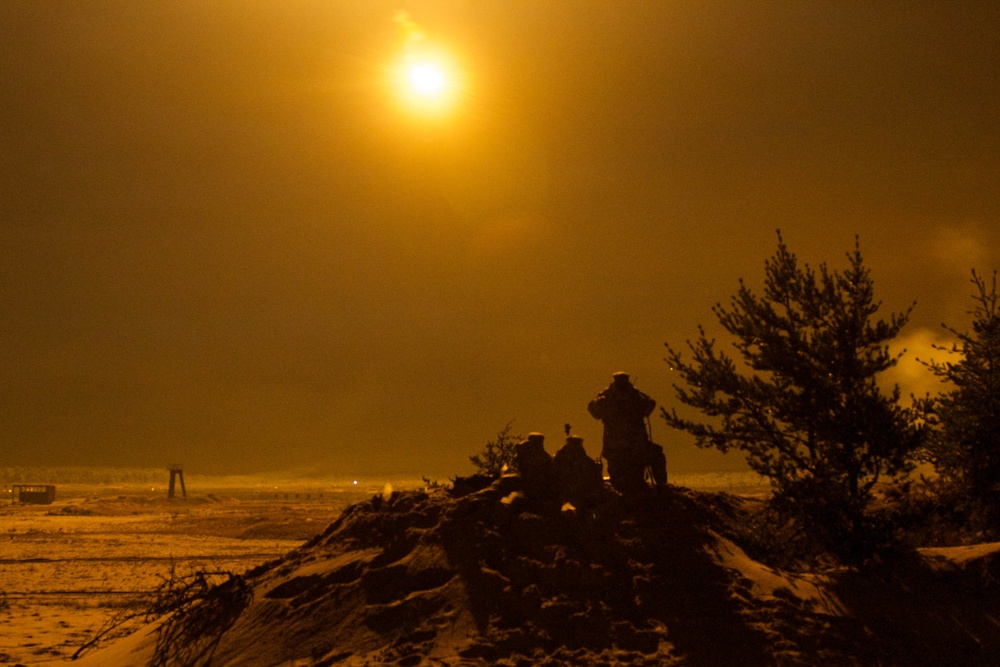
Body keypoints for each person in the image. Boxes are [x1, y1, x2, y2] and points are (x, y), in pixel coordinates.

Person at [587, 372, 667, 493]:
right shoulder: (611, 396)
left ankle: (661, 487)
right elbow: (594, 410)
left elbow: (649, 406)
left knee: (649, 461)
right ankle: (661, 487)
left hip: (630, 447)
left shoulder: (629, 395)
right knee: (624, 478)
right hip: (621, 447)